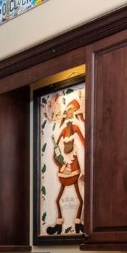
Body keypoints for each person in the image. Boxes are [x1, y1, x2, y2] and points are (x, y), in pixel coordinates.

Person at [45, 98, 86, 235]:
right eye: (68, 110)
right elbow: (55, 152)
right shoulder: (62, 132)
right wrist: (61, 166)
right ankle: (59, 223)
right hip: (65, 168)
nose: (70, 113)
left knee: (80, 198)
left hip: (74, 165)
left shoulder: (75, 128)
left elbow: (86, 144)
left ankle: (78, 221)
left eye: (72, 111)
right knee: (58, 199)